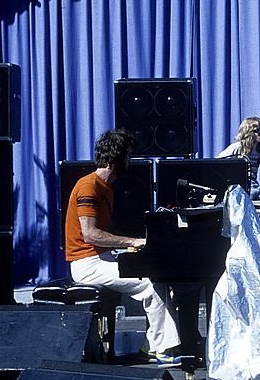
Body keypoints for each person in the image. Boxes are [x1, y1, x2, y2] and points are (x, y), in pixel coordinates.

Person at [65, 129, 182, 366]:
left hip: (102, 258)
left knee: (160, 277)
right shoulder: (88, 187)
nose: (129, 161)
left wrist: (138, 244)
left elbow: (105, 233)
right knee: (151, 284)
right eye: (127, 156)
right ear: (114, 159)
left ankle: (153, 346)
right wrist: (132, 242)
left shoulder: (104, 187)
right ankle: (162, 350)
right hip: (87, 265)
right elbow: (90, 234)